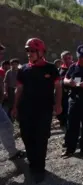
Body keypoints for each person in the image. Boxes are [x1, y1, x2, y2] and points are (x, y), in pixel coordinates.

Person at [12, 38, 62, 183]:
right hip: (25, 110)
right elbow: (19, 89)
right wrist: (15, 106)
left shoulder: (51, 68)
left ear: (41, 52)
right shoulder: (23, 69)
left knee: (40, 139)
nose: (29, 53)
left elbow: (58, 87)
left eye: (32, 50)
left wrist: (58, 104)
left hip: (43, 111)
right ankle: (33, 164)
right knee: (27, 137)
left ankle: (40, 169)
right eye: (27, 50)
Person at [0, 44, 25, 162]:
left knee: (7, 125)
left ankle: (13, 153)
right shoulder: (8, 72)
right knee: (6, 125)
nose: (1, 54)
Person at [57, 51, 73, 130]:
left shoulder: (76, 67)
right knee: (61, 113)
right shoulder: (60, 69)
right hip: (62, 94)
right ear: (62, 59)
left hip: (73, 94)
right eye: (65, 59)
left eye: (69, 58)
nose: (67, 60)